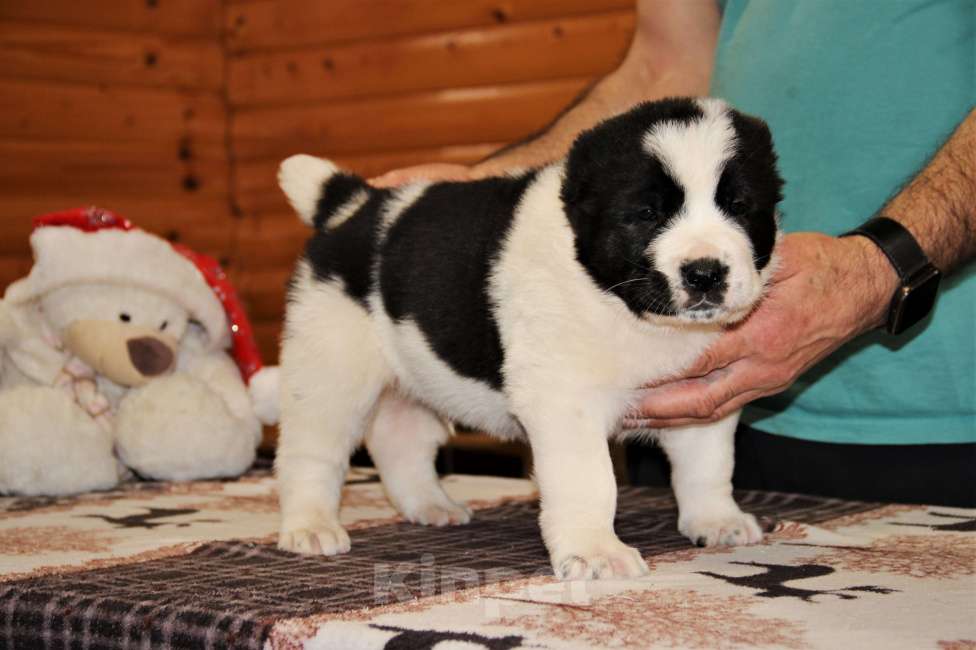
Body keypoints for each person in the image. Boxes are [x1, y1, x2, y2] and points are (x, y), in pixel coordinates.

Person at [372, 0, 975, 506]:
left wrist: (878, 268)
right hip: (702, 395)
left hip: (943, 410)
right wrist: (484, 190)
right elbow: (666, 65)